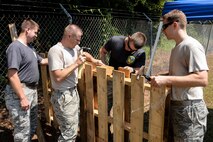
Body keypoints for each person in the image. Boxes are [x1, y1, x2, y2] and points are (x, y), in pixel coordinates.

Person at [150, 9, 209, 141]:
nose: (163, 31)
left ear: (175, 24)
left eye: (164, 26)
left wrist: (166, 78)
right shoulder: (178, 47)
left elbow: (202, 78)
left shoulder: (191, 46)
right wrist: (161, 76)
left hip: (190, 109)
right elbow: (179, 74)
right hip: (179, 106)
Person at [48, 24, 103, 142]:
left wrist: (93, 60)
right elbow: (57, 77)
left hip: (72, 92)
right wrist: (76, 64)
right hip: (63, 96)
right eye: (77, 39)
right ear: (69, 36)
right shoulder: (56, 51)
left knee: (72, 129)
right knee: (68, 133)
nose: (79, 42)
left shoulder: (74, 48)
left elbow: (83, 53)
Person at [4, 18, 48, 142]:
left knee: (31, 126)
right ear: (27, 30)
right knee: (22, 131)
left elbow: (43, 61)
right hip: (20, 92)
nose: (36, 35)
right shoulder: (15, 47)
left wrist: (62, 60)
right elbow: (12, 75)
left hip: (32, 91)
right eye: (35, 32)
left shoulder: (30, 49)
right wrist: (22, 97)